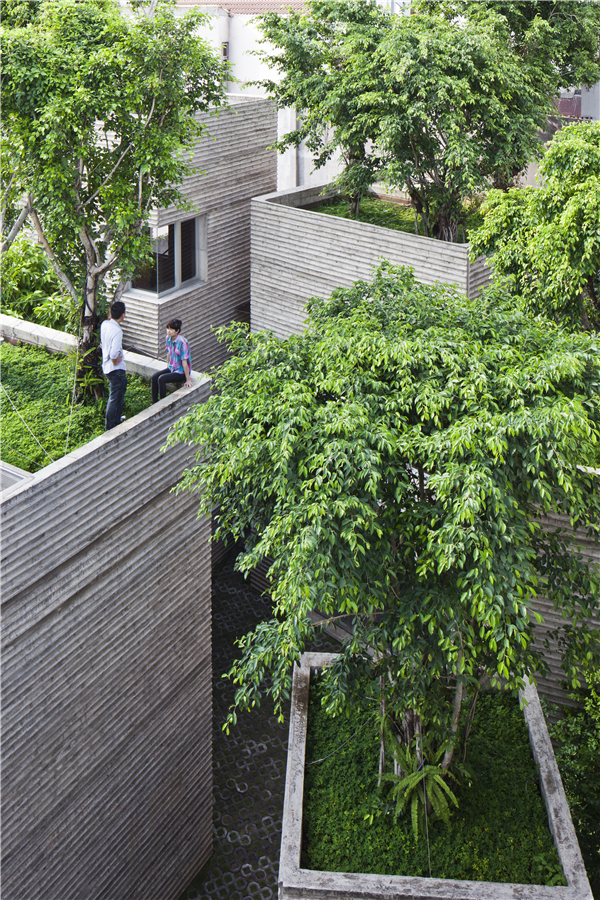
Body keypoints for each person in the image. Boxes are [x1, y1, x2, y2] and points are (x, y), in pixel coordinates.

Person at [151, 318, 193, 403]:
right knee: (154, 377)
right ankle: (154, 402)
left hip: (181, 372)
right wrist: (167, 367)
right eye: (168, 328)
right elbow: (169, 353)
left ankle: (162, 403)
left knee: (162, 379)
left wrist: (188, 379)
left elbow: (185, 363)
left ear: (177, 331)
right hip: (172, 368)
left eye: (171, 329)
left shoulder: (183, 343)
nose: (168, 331)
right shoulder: (168, 338)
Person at [100, 300, 127, 430]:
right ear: (123, 315)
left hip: (106, 367)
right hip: (116, 370)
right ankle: (110, 425)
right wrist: (115, 361)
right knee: (115, 397)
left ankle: (116, 420)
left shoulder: (104, 324)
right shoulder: (117, 331)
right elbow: (114, 353)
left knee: (118, 394)